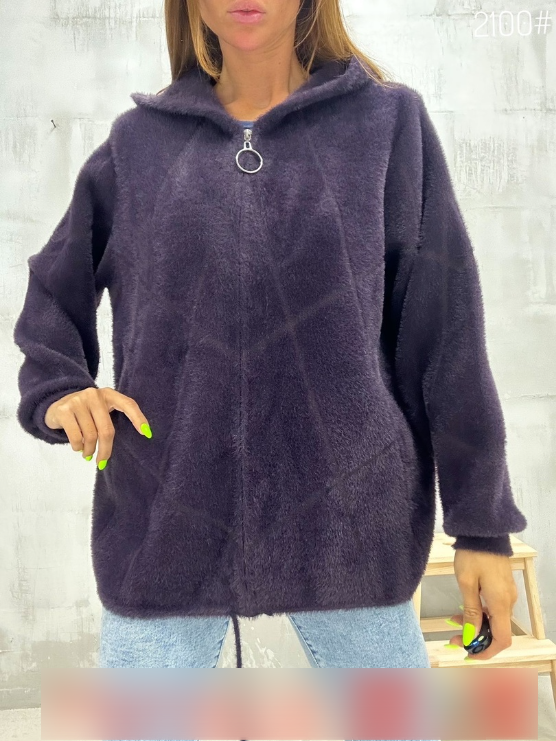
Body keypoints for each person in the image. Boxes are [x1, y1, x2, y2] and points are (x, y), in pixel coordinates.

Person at [13, 0, 528, 737]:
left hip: (351, 517)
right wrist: (60, 387)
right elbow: (54, 286)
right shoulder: (139, 145)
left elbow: (446, 333)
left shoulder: (387, 126)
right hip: (167, 516)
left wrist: (482, 526)